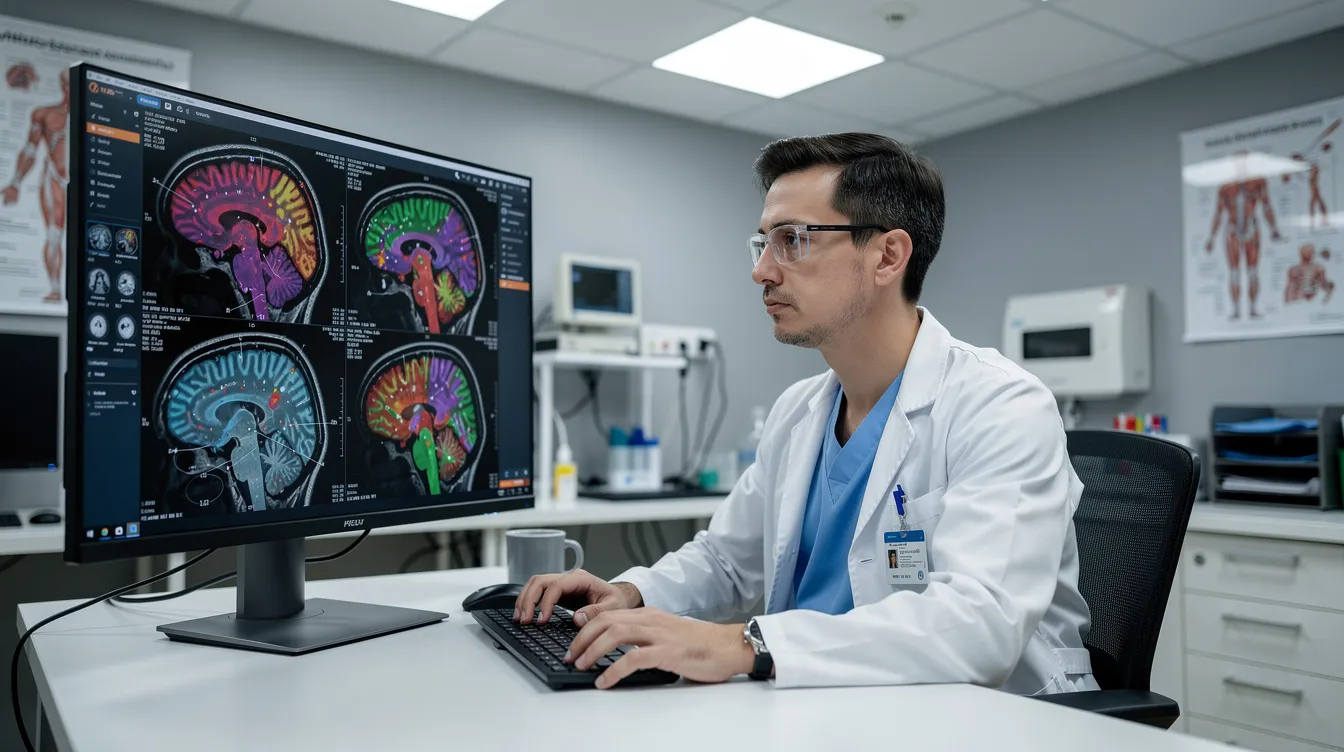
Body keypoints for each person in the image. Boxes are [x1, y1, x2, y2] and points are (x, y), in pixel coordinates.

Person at [516, 133, 1096, 693]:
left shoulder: (1000, 406)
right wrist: (629, 593)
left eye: (792, 239)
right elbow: (727, 561)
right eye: (762, 242)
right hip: (822, 700)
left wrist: (745, 646)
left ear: (888, 256)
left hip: (987, 720)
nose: (762, 270)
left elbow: (979, 626)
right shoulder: (800, 412)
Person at [2, 67, 69, 303]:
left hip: (85, 183)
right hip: (55, 179)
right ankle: (54, 288)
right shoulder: (45, 114)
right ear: (63, 87)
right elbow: (30, 149)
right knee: (53, 234)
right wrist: (16, 183)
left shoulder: (98, 116)